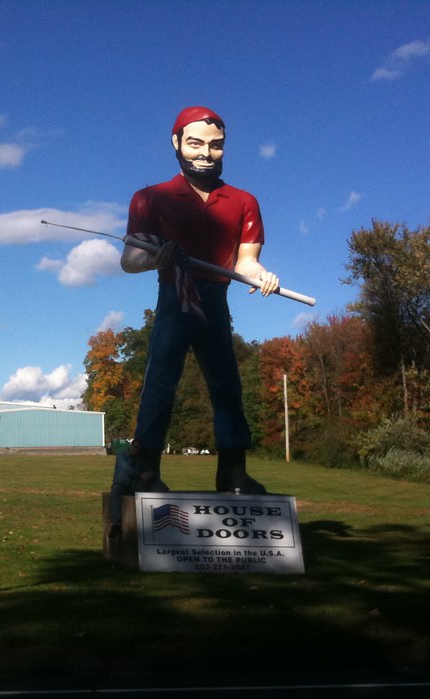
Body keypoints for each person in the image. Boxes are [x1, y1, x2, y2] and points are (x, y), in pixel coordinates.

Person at [108, 106, 279, 532]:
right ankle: (146, 470)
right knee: (160, 383)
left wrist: (262, 275)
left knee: (227, 385)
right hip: (174, 297)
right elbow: (130, 259)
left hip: (216, 300)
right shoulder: (150, 198)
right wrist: (155, 258)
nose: (206, 153)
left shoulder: (243, 202)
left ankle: (233, 472)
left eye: (215, 145)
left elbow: (246, 262)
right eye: (196, 143)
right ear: (177, 143)